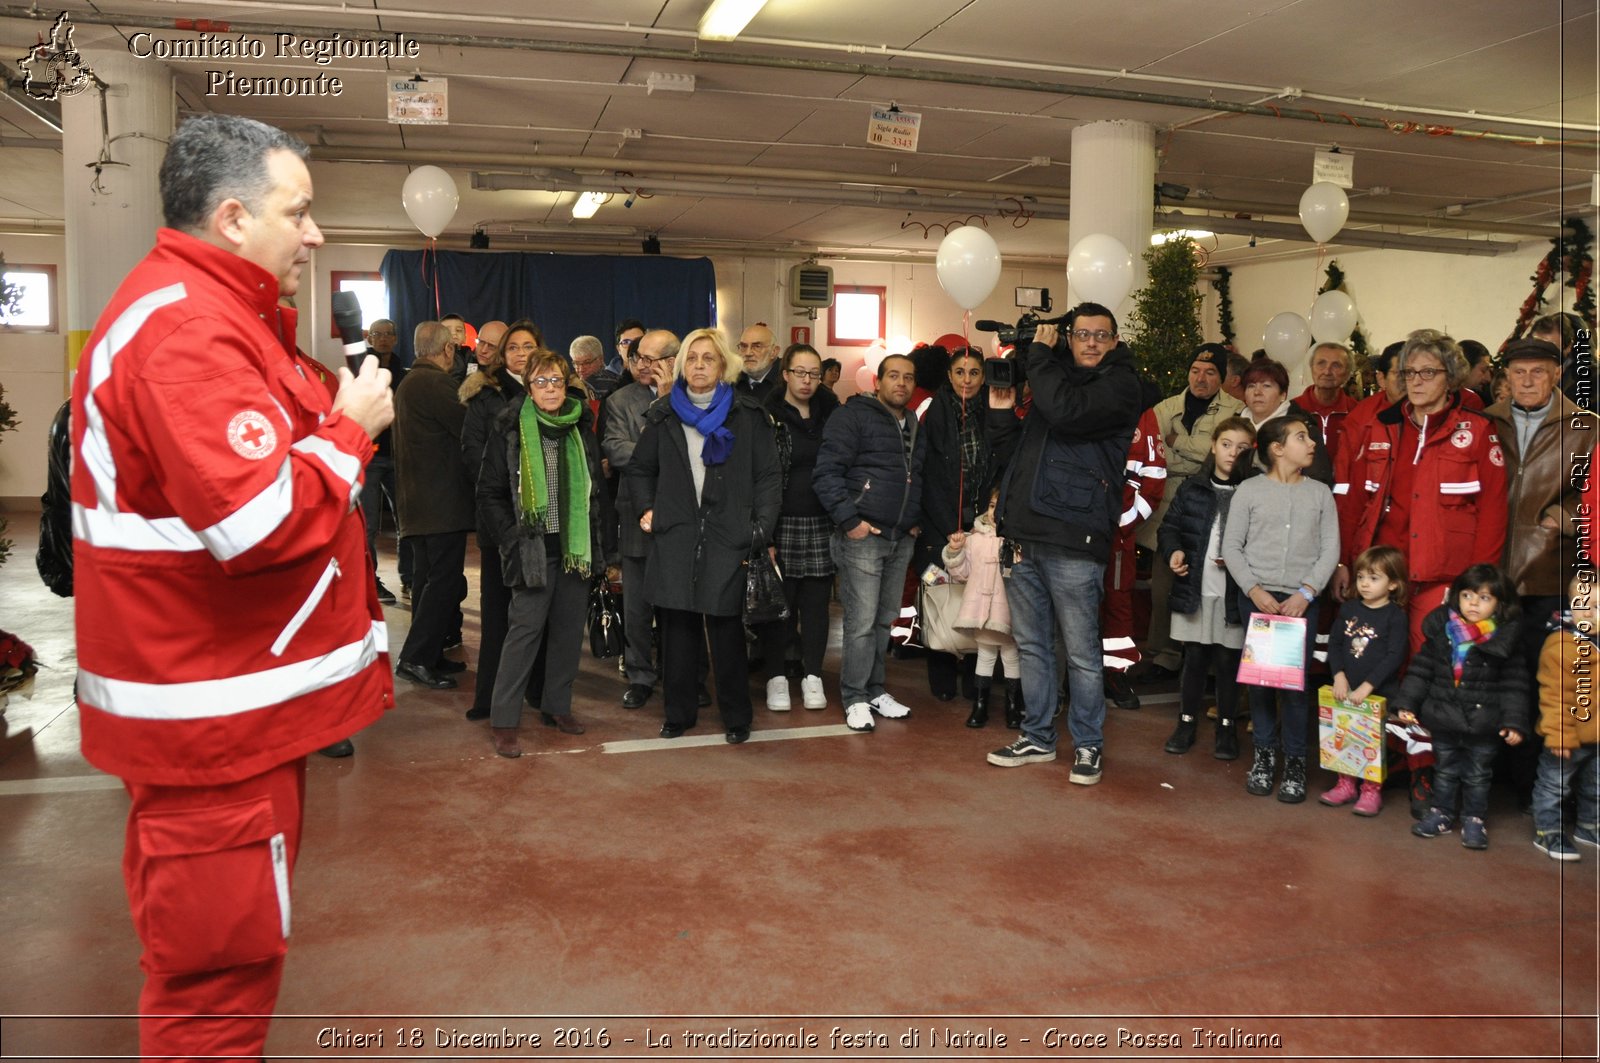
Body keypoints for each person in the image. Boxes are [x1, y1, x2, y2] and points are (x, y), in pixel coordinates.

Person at [69, 114, 394, 1059]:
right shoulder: (185, 332)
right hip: (207, 721)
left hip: (225, 705)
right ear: (233, 216)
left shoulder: (213, 316)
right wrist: (351, 429)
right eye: (300, 212)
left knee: (232, 958)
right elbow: (257, 522)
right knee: (213, 984)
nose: (315, 233)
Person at [980, 303, 1142, 784]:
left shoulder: (1118, 385)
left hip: (1075, 539)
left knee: (1081, 654)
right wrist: (1001, 413)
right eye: (1082, 334)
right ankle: (1037, 736)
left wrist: (1038, 357)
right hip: (1025, 537)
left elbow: (1069, 414)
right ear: (1069, 338)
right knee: (1032, 647)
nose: (1091, 343)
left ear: (1114, 342)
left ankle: (1088, 745)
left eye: (1101, 335)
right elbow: (1015, 456)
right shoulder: (1055, 386)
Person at [632, 328, 781, 743]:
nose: (699, 365)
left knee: (727, 632)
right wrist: (647, 509)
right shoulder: (662, 415)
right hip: (676, 536)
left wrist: (760, 527)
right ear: (682, 366)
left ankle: (737, 718)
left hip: (729, 536)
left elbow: (769, 476)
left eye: (708, 358)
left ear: (723, 366)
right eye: (692, 358)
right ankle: (678, 714)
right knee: (677, 632)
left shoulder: (747, 416)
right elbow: (640, 469)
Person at [477, 349, 610, 757]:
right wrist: (511, 536)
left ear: (566, 382)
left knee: (569, 633)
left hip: (574, 548)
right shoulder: (510, 427)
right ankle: (504, 719)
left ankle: (558, 707)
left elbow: (594, 492)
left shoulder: (579, 426)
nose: (549, 389)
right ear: (528, 386)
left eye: (556, 381)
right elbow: (490, 492)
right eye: (540, 382)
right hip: (531, 549)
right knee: (524, 632)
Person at [1221, 416, 1340, 803]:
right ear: (1276, 449)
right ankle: (1264, 755)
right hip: (1260, 598)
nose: (1312, 444)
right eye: (1301, 437)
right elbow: (1232, 547)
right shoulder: (1250, 491)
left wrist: (1307, 592)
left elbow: (1330, 550)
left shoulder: (1320, 493)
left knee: (1294, 687)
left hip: (1299, 602)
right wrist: (1254, 590)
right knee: (1260, 684)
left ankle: (1295, 762)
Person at [814, 353, 929, 733]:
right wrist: (850, 521)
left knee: (883, 622)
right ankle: (855, 697)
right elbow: (827, 473)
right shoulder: (853, 416)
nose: (901, 383)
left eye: (908, 377)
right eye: (893, 376)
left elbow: (917, 475)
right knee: (861, 623)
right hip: (863, 537)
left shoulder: (912, 421)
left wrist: (913, 520)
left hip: (899, 538)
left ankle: (875, 690)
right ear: (876, 382)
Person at [1398, 565, 1529, 850]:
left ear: (1499, 604)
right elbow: (1421, 671)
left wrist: (1514, 721)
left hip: (1483, 723)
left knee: (1478, 776)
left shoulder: (1504, 639)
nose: (1473, 603)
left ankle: (1474, 819)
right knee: (1444, 770)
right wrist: (1407, 703)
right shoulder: (1442, 632)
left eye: (1484, 598)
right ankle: (1441, 813)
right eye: (1468, 595)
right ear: (1456, 596)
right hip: (1444, 720)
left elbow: (1514, 685)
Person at [1140, 344, 1245, 679]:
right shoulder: (1164, 408)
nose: (1201, 378)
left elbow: (1227, 457)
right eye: (1196, 371)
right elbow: (1156, 454)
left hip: (1213, 506)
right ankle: (1164, 655)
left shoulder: (1236, 410)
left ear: (1223, 377)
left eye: (1211, 372)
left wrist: (1180, 444)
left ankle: (1210, 662)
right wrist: (1198, 455)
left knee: (1211, 587)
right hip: (1166, 507)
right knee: (1163, 587)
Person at [459, 320, 544, 722]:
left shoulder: (558, 391)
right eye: (513, 347)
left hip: (547, 522)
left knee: (542, 611)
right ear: (501, 354)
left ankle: (542, 693)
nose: (521, 353)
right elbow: (473, 456)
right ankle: (490, 698)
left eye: (528, 346)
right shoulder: (484, 397)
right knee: (496, 614)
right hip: (499, 521)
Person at [1157, 417, 1257, 759]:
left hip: (1233, 592)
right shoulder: (1192, 487)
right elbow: (1169, 529)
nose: (1232, 453)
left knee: (1229, 661)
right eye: (1226, 444)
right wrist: (1174, 552)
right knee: (1195, 658)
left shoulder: (1255, 490)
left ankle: (1226, 728)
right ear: (1213, 446)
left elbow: (1262, 542)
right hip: (1195, 588)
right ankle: (1186, 723)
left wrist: (1241, 561)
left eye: (1242, 447)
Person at [917, 345, 1004, 701]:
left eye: (974, 373)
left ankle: (974, 676)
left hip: (982, 522)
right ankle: (941, 678)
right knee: (939, 595)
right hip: (938, 519)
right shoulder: (932, 412)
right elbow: (922, 470)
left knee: (978, 599)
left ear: (983, 378)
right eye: (959, 373)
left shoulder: (993, 412)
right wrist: (939, 524)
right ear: (948, 376)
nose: (966, 380)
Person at [393, 320, 475, 689]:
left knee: (430, 583)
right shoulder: (436, 383)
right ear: (446, 350)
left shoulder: (411, 381)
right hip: (440, 503)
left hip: (421, 502)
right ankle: (415, 657)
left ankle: (428, 654)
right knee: (441, 584)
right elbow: (469, 428)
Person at [758, 343, 839, 712]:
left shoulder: (831, 411)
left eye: (814, 374)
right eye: (800, 373)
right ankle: (776, 677)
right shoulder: (767, 414)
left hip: (822, 520)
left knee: (817, 605)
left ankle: (812, 676)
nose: (808, 381)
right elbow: (760, 476)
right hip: (781, 521)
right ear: (786, 374)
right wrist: (766, 533)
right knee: (781, 605)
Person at [603, 329, 676, 709]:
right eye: (639, 359)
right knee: (636, 606)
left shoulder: (692, 397)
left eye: (654, 359)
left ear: (673, 361)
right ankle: (640, 675)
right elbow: (618, 452)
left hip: (683, 517)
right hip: (636, 514)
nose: (644, 366)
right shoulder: (621, 401)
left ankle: (682, 674)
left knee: (679, 605)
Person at [1319, 545, 1409, 816]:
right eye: (1361, 578)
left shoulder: (1395, 616)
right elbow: (1334, 644)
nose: (1365, 584)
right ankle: (1345, 784)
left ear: (1393, 584)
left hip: (1377, 692)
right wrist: (1339, 676)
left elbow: (1395, 655)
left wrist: (1368, 686)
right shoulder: (1348, 610)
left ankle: (1371, 791)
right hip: (1344, 689)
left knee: (1372, 742)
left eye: (1374, 578)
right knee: (1343, 736)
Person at [1531, 572, 1600, 860]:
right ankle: (1547, 830)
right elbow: (1555, 695)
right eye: (1588, 606)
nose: (1593, 613)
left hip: (1596, 734)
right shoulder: (1563, 645)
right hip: (1567, 735)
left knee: (1596, 786)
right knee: (1554, 784)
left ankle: (1589, 825)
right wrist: (1560, 735)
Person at [943, 488, 1021, 729]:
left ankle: (1013, 707)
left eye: (1001, 506)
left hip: (1007, 608)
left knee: (1011, 655)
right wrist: (955, 551)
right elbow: (961, 573)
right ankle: (980, 706)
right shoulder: (974, 539)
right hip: (981, 609)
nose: (994, 511)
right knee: (985, 655)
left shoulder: (1017, 541)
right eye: (991, 505)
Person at [353, 318, 406, 604]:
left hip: (398, 454)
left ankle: (409, 576)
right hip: (370, 455)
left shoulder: (403, 368)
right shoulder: (362, 366)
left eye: (389, 334)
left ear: (396, 338)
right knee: (369, 524)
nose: (384, 338)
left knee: (406, 520)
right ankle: (371, 581)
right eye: (378, 334)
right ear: (369, 338)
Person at [1238, 357, 1334, 485]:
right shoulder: (1233, 425)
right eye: (1251, 386)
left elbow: (1317, 480)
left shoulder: (1303, 428)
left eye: (1266, 386)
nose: (1257, 392)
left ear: (1283, 394)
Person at [1295, 342, 1359, 460]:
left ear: (1348, 374)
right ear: (1311, 368)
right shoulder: (1292, 409)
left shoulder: (1357, 412)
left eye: (1336, 365)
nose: (1327, 371)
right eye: (1321, 363)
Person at [736, 322, 784, 400]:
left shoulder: (787, 382)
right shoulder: (730, 381)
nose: (748, 353)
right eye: (743, 346)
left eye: (757, 347)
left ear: (774, 352)